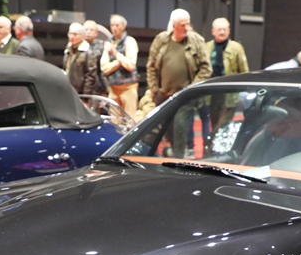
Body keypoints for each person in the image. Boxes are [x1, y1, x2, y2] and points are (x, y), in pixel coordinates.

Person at [146, 9, 211, 158]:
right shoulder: (161, 40)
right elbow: (151, 66)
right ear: (174, 25)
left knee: (180, 130)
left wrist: (190, 89)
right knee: (169, 132)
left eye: (188, 23)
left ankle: (177, 160)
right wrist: (154, 89)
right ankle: (174, 155)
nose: (187, 27)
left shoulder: (196, 41)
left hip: (184, 98)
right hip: (164, 96)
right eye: (183, 25)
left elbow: (206, 68)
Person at [203, 17, 249, 149]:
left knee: (223, 123)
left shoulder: (236, 48)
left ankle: (215, 146)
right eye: (219, 29)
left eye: (224, 29)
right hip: (211, 93)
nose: (222, 32)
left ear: (229, 31)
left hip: (229, 94)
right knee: (214, 121)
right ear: (213, 31)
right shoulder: (206, 47)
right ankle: (213, 146)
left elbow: (244, 71)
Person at [101, 13, 139, 117]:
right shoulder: (108, 43)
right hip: (113, 89)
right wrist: (119, 61)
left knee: (129, 121)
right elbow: (104, 68)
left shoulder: (130, 41)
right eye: (112, 25)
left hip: (128, 88)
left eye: (117, 25)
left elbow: (130, 65)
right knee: (114, 122)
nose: (114, 28)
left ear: (123, 26)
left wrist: (115, 53)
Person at [63, 22, 97, 95]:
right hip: (68, 89)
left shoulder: (88, 53)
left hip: (80, 93)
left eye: (75, 34)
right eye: (70, 33)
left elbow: (90, 76)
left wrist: (86, 96)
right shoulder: (68, 50)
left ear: (82, 36)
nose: (72, 36)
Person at [83, 19, 107, 96]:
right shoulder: (77, 45)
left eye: (91, 30)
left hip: (96, 82)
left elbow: (93, 60)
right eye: (86, 29)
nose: (88, 32)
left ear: (96, 33)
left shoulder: (101, 45)